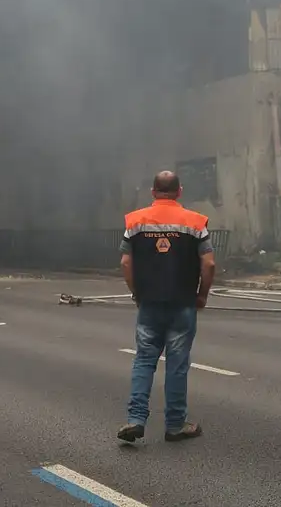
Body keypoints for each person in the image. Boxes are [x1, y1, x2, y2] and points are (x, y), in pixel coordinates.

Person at [117, 171, 216, 444]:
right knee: (177, 364)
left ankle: (136, 419)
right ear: (179, 191)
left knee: (144, 360)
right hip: (183, 303)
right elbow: (209, 264)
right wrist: (202, 295)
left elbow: (126, 263)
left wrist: (136, 292)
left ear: (153, 192)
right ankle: (175, 425)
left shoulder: (135, 221)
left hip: (149, 303)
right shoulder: (195, 223)